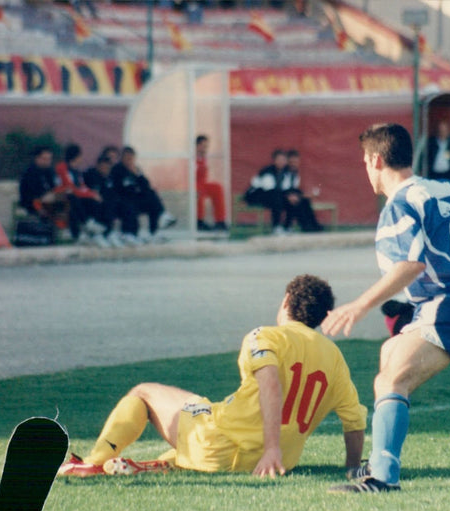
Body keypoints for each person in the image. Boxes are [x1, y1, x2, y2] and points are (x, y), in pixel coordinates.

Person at [321, 123, 450, 493]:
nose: (366, 170)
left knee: (391, 380)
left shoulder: (400, 204)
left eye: (364, 162)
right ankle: (381, 460)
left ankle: (383, 477)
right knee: (389, 356)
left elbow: (411, 265)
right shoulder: (440, 189)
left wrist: (360, 304)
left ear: (375, 159)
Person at [58, 274, 367, 478]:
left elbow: (270, 383)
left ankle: (91, 463)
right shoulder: (334, 357)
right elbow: (354, 421)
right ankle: (154, 465)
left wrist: (270, 445)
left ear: (286, 301)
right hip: (273, 463)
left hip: (220, 446)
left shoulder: (266, 336)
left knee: (143, 393)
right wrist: (352, 466)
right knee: (201, 410)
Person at [109, 146, 177, 243]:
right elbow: (118, 190)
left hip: (135, 200)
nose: (129, 161)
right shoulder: (116, 170)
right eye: (127, 158)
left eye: (131, 159)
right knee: (128, 204)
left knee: (151, 195)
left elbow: (146, 186)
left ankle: (157, 227)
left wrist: (137, 174)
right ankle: (129, 233)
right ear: (122, 158)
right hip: (122, 203)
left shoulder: (135, 170)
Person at [55, 143, 112, 247]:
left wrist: (92, 194)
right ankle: (87, 225)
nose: (81, 159)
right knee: (72, 198)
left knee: (95, 201)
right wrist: (89, 194)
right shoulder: (62, 168)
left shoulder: (77, 172)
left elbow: (82, 187)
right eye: (80, 157)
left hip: (73, 197)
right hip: (60, 198)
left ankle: (98, 232)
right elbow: (70, 187)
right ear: (75, 157)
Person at [18, 145, 70, 229]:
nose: (47, 161)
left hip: (49, 200)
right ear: (37, 158)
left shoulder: (49, 172)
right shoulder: (29, 173)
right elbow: (31, 193)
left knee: (72, 199)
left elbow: (55, 187)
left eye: (49, 159)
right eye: (45, 159)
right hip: (32, 202)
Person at [244, 149, 289, 235]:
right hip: (257, 195)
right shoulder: (267, 171)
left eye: (283, 160)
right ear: (274, 160)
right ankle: (276, 226)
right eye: (279, 159)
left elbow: (286, 189)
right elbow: (267, 187)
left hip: (273, 196)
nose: (281, 162)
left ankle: (286, 227)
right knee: (277, 197)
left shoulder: (286, 173)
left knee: (288, 200)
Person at [281, 150, 324, 232]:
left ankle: (314, 224)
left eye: (296, 162)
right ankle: (304, 225)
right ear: (287, 162)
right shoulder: (283, 173)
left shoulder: (295, 174)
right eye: (291, 162)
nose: (294, 164)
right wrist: (292, 196)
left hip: (292, 196)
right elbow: (282, 189)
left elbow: (294, 190)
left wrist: (302, 195)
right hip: (281, 197)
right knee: (298, 203)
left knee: (305, 201)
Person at [195, 135, 228, 231]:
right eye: (203, 146)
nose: (205, 149)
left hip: (201, 184)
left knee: (217, 188)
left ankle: (220, 221)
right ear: (197, 146)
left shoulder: (203, 158)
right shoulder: (190, 157)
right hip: (192, 185)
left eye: (206, 146)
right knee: (198, 192)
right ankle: (199, 221)